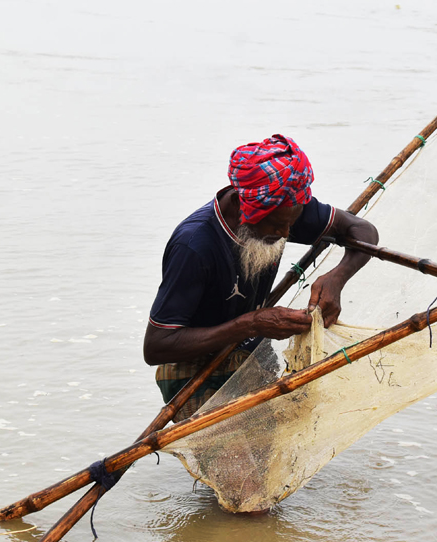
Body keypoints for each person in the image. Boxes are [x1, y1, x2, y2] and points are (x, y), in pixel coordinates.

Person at [143, 134, 378, 421]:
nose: (285, 233)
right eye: (278, 225)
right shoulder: (194, 246)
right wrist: (251, 323)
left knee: (288, 435)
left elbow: (362, 230)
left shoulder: (285, 206)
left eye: (291, 224)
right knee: (235, 457)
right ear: (245, 209)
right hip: (192, 372)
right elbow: (156, 346)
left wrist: (337, 278)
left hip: (253, 355)